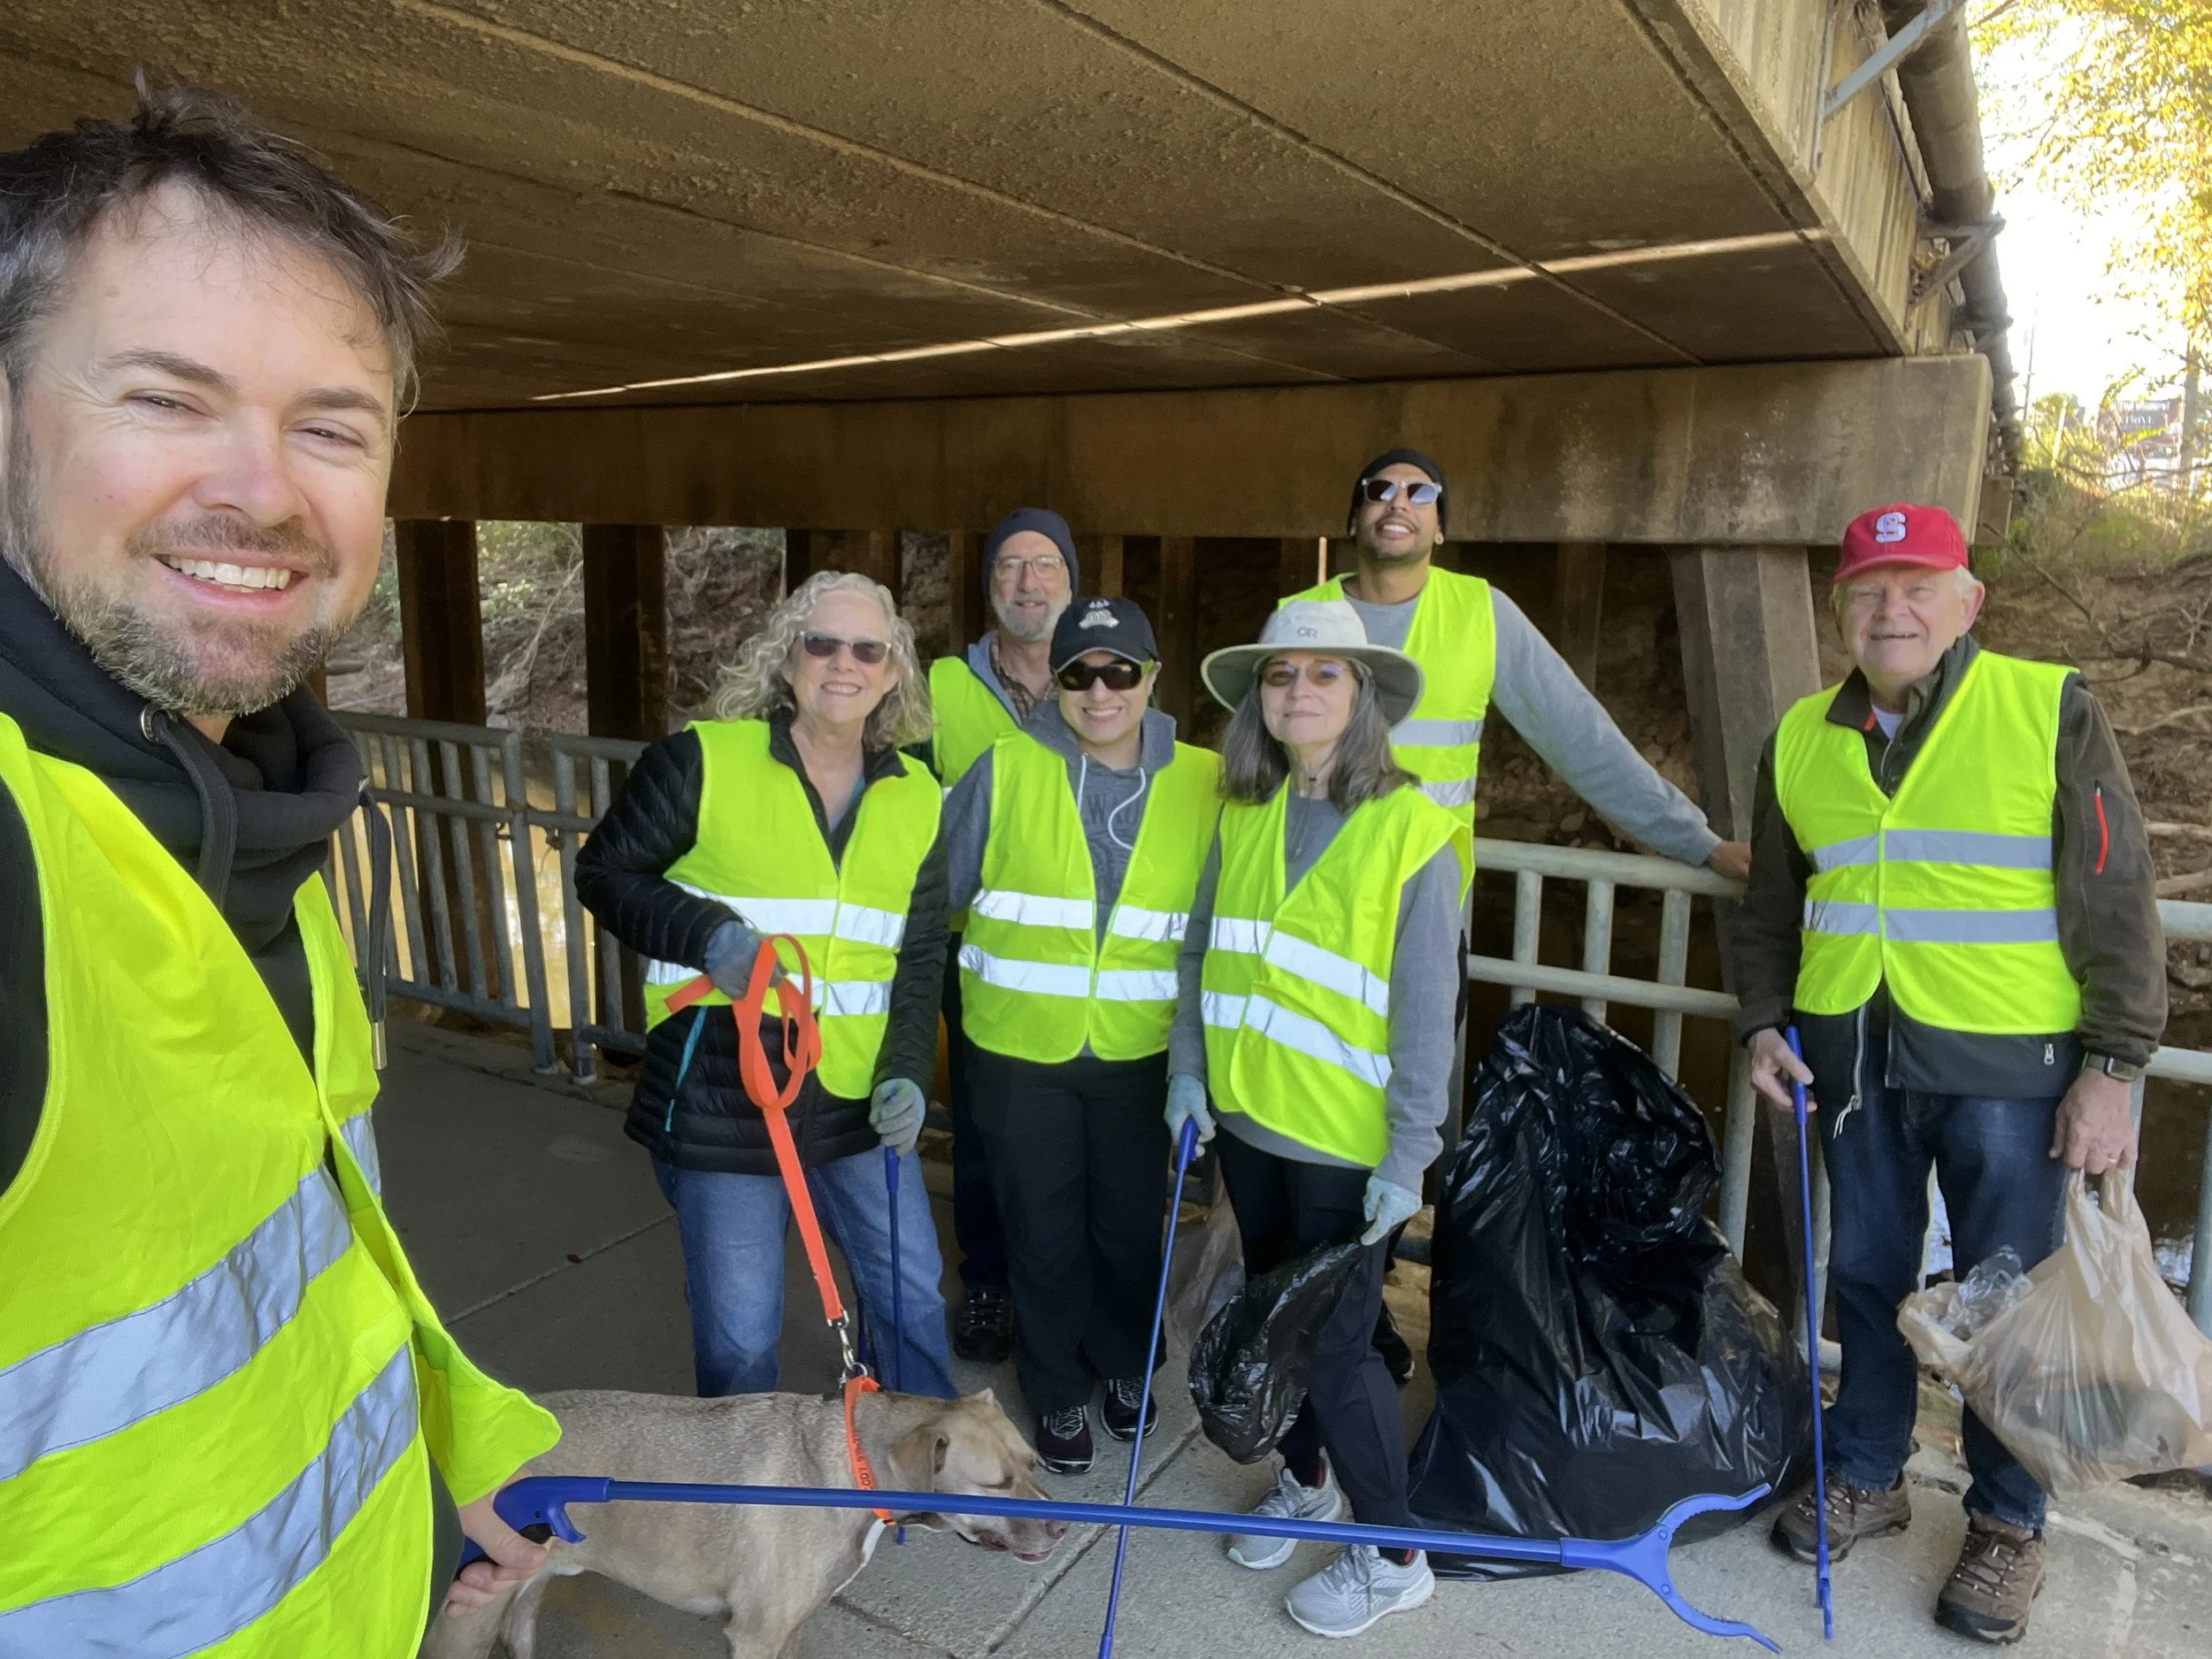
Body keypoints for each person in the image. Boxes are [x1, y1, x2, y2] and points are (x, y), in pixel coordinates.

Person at [0, 87, 557, 1648]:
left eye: (331, 424)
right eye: (167, 400)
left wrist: (438, 1428)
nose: (262, 487)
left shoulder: (259, 807)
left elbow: (279, 1255)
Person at [1729, 503, 2166, 1644]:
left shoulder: (2046, 708)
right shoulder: (1800, 736)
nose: (1893, 609)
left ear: (1967, 600)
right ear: (1841, 612)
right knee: (1867, 1276)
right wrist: (1763, 1021)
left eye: (1918, 585)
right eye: (1869, 590)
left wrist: (2113, 1066)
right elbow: (1774, 903)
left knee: (2008, 1300)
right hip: (1851, 1058)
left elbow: (2117, 899)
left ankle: (2007, 1523)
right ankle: (1868, 1472)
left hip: (2009, 1067)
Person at [576, 571, 955, 1400]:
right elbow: (604, 871)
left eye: (868, 649)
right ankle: (751, 1510)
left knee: (911, 1293)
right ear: (788, 660)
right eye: (822, 643)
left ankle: (924, 1471)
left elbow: (918, 951)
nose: (843, 664)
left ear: (893, 673)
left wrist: (906, 1073)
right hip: (725, 1093)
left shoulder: (919, 798)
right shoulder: (701, 761)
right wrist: (709, 936)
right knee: (741, 1330)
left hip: (858, 1094)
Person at [1170, 601, 1467, 1640]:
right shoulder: (1242, 809)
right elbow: (1202, 952)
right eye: (1281, 674)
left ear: (1364, 695)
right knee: (1268, 1324)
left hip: (1348, 1150)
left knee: (1335, 1352)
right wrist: (1187, 1072)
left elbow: (1430, 1009)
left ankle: (1393, 1553)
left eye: (1324, 674)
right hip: (1251, 1124)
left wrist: (1411, 1153)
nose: (1299, 690)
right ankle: (1307, 1483)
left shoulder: (1413, 829)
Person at [942, 595, 1219, 1471]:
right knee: (1042, 1229)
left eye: (1119, 671)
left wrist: (1198, 1065)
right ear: (1055, 683)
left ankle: (1128, 1365)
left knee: (1131, 1229)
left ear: (1151, 677)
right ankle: (1056, 1385)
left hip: (1146, 1057)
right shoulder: (1005, 767)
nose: (1100, 691)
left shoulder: (1208, 781)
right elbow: (930, 895)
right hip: (1021, 1053)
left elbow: (1220, 932)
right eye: (1078, 673)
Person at [1284, 449, 1748, 879]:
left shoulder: (1482, 613)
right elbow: (1254, 760)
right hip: (1305, 886)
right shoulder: (1296, 620)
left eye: (1420, 493)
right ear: (1353, 520)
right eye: (1379, 491)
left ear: (1440, 529)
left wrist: (1698, 843)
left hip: (1424, 895)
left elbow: (1578, 735)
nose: (1398, 503)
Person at [927, 508, 1080, 1365]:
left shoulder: (1104, 674)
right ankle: (987, 1284)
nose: (1028, 582)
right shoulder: (942, 686)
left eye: (1045, 565)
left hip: (1084, 957)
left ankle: (1060, 1285)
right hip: (978, 950)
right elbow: (901, 806)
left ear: (1070, 579)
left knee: (1076, 1134)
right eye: (1010, 567)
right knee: (984, 1131)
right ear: (990, 587)